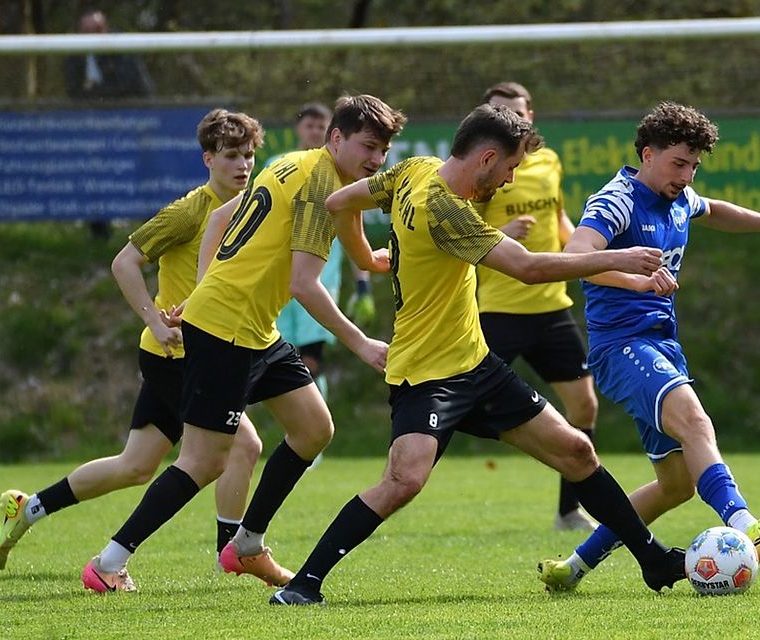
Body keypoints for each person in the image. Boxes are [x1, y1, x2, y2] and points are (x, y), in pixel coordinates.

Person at [270, 103, 686, 607]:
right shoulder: (445, 208)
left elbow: (343, 197)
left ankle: (655, 561)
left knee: (576, 451)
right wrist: (616, 255)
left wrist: (365, 256)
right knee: (404, 481)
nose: (510, 181)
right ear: (487, 158)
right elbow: (529, 269)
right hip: (424, 375)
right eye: (510, 168)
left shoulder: (412, 171)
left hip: (476, 364)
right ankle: (303, 584)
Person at [80, 95, 407, 593]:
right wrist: (361, 342)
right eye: (368, 146)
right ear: (335, 138)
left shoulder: (292, 164)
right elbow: (303, 283)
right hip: (226, 330)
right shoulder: (318, 184)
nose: (377, 160)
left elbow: (220, 221)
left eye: (383, 150)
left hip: (255, 328)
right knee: (205, 460)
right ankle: (108, 561)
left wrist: (371, 261)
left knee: (314, 428)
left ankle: (247, 545)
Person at [538, 101, 760, 592]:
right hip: (621, 347)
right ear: (648, 154)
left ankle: (573, 568)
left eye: (693, 166)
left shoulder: (680, 197)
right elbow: (573, 255)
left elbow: (717, 211)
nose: (687, 176)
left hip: (662, 346)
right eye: (678, 163)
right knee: (696, 421)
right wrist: (635, 281)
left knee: (676, 485)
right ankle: (746, 525)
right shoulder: (616, 200)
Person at [0, 109, 266, 582]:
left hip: (192, 353)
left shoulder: (252, 209)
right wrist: (156, 323)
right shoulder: (190, 211)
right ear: (207, 159)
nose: (242, 165)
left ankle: (29, 507)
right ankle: (231, 551)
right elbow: (125, 262)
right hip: (176, 354)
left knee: (135, 465)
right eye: (230, 156)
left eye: (248, 155)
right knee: (243, 445)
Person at [475, 82, 600, 531]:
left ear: (531, 114)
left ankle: (570, 510)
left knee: (584, 406)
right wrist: (502, 230)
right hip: (499, 308)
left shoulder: (548, 160)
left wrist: (592, 256)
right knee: (453, 405)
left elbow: (561, 220)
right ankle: (401, 479)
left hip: (551, 307)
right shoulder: (483, 168)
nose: (509, 119)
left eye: (516, 112)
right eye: (498, 112)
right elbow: (460, 227)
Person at [274, 103, 376, 413]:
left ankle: (314, 427)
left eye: (321, 127)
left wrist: (363, 285)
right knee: (281, 360)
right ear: (299, 129)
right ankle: (298, 426)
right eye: (310, 126)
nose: (315, 132)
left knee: (310, 360)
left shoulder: (341, 180)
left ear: (331, 134)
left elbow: (353, 235)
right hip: (280, 282)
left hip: (320, 279)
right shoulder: (282, 166)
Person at [62, 7, 156, 239]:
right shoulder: (74, 55)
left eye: (97, 29)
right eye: (86, 31)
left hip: (129, 127)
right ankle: (99, 234)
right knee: (95, 178)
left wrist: (94, 91)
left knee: (140, 178)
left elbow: (136, 87)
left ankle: (151, 234)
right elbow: (73, 91)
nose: (92, 36)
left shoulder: (122, 50)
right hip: (92, 131)